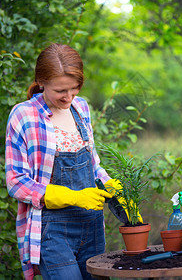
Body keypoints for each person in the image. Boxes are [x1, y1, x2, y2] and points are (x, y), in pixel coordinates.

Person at [5, 43, 114, 280]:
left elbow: (93, 164)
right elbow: (16, 182)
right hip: (53, 230)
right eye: (60, 91)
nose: (68, 97)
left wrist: (110, 185)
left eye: (74, 88)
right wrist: (70, 196)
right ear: (42, 82)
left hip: (92, 225)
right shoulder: (24, 115)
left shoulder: (81, 107)